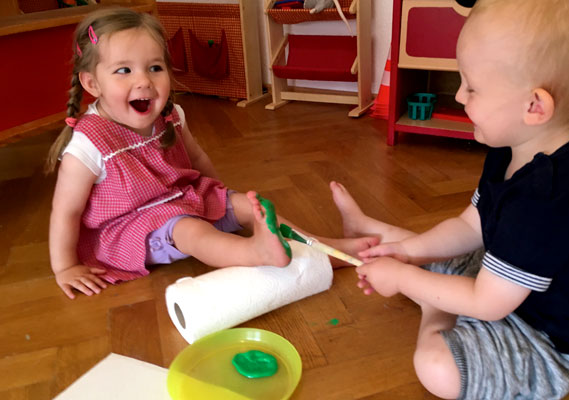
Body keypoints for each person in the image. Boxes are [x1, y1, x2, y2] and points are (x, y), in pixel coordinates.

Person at [330, 0, 569, 398]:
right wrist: (407, 254)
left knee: (436, 367)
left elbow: (489, 303)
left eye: (471, 86)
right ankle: (372, 230)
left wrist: (409, 281)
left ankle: (434, 309)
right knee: (425, 253)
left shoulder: (547, 196)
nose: (458, 96)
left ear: (534, 106)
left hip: (550, 341)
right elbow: (469, 225)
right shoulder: (513, 146)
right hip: (509, 289)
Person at [46, 7, 377, 300]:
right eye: (124, 71)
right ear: (92, 83)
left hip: (179, 200)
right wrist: (65, 267)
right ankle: (254, 251)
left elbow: (199, 160)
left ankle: (324, 248)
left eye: (155, 67)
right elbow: (66, 212)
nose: (145, 81)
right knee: (189, 229)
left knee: (252, 204)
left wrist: (221, 203)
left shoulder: (171, 114)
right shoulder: (88, 144)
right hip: (131, 226)